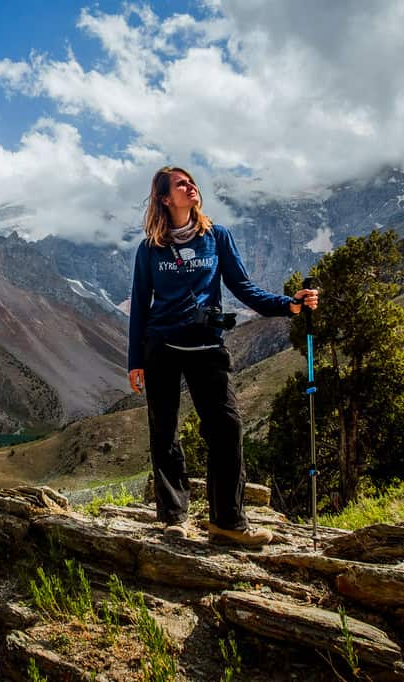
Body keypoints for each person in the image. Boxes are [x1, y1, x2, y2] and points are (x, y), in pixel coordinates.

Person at [128, 166, 318, 546]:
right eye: (180, 184)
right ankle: (173, 517)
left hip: (207, 346)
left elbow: (244, 288)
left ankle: (227, 522)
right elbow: (139, 307)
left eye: (191, 182)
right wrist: (135, 360)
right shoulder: (150, 248)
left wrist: (289, 305)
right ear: (165, 198)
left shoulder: (217, 237)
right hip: (161, 347)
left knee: (226, 428)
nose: (190, 187)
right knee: (164, 432)